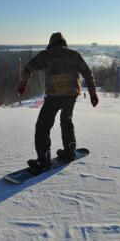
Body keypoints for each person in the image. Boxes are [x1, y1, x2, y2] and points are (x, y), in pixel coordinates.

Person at [17, 32, 98, 173]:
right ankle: (70, 149)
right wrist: (92, 93)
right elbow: (87, 73)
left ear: (51, 43)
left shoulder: (47, 54)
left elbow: (28, 68)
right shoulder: (74, 54)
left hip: (53, 96)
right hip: (71, 96)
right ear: (64, 43)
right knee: (66, 121)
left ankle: (44, 159)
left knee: (43, 126)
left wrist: (23, 84)